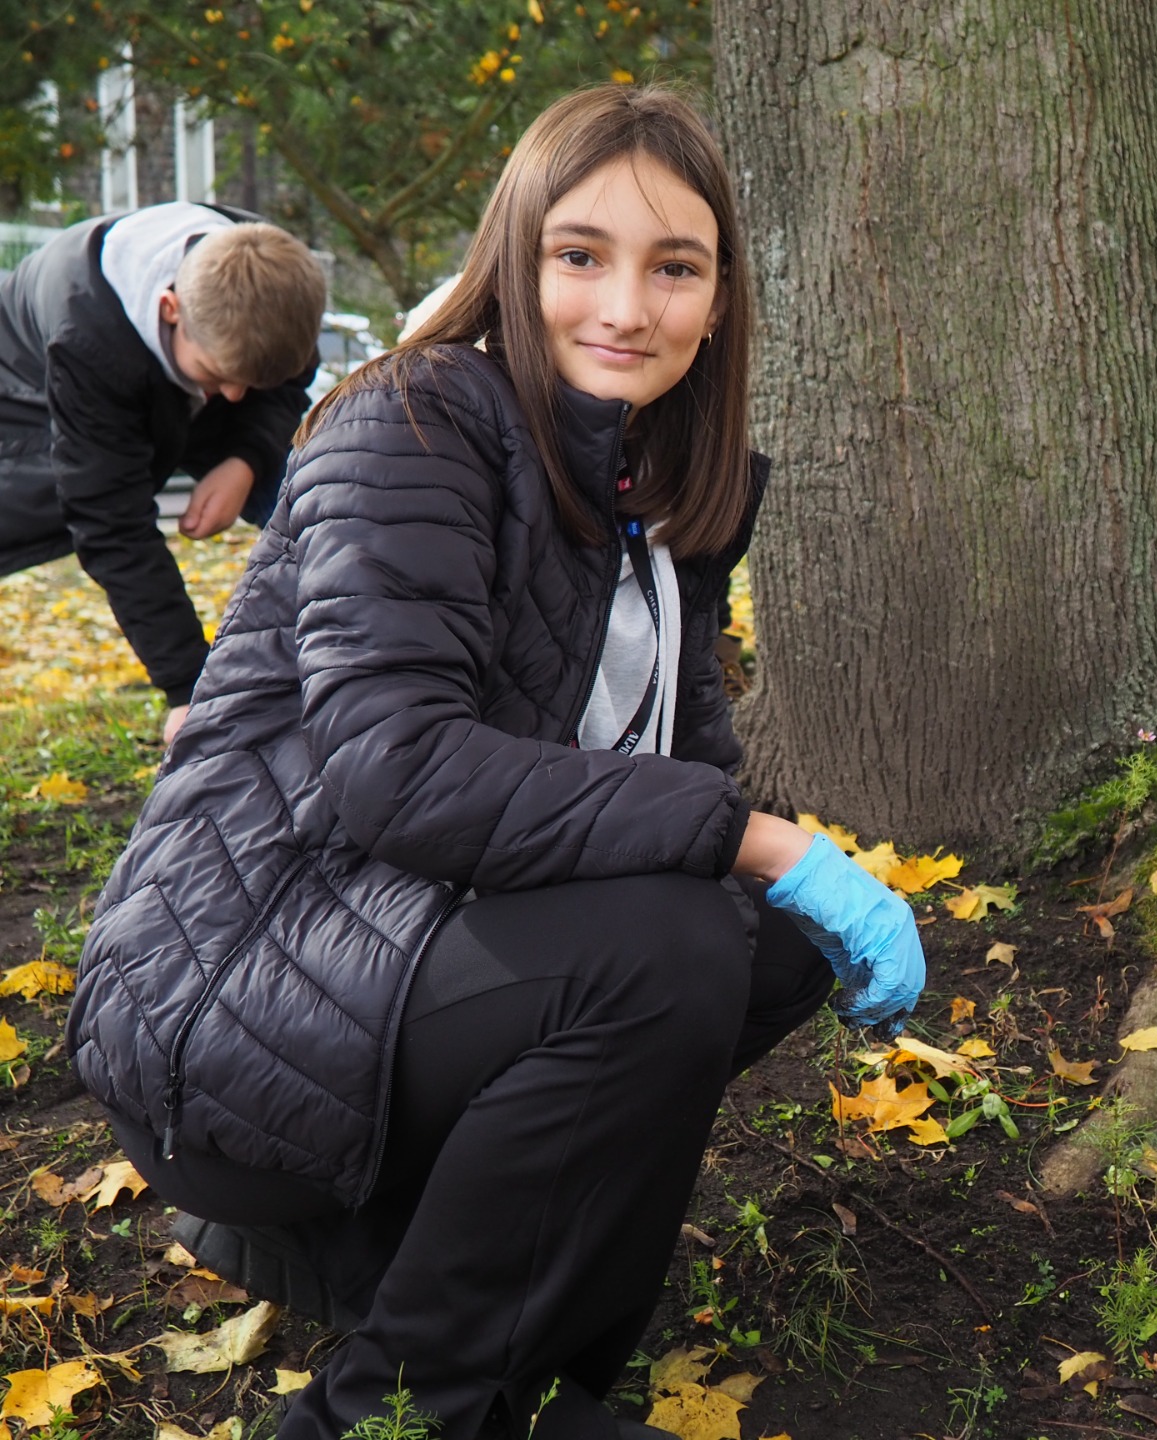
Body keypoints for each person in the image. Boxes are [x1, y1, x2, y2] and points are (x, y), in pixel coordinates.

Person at [66, 84, 924, 1440]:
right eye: (580, 255)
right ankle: (394, 1406)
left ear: (718, 300)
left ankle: (533, 1369)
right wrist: (767, 843)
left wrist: (780, 872)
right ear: (516, 262)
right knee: (672, 945)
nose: (625, 306)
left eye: (674, 266)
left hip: (410, 958)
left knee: (755, 940)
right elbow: (397, 774)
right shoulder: (413, 423)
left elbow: (682, 765)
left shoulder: (670, 494)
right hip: (235, 994)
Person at [0, 202, 326, 740]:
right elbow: (111, 523)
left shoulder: (275, 282)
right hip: (31, 412)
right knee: (67, 502)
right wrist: (187, 688)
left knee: (309, 476)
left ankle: (346, 659)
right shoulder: (88, 341)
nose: (235, 397)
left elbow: (280, 385)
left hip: (161, 375)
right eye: (220, 377)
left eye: (250, 383)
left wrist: (245, 460)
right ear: (171, 307)